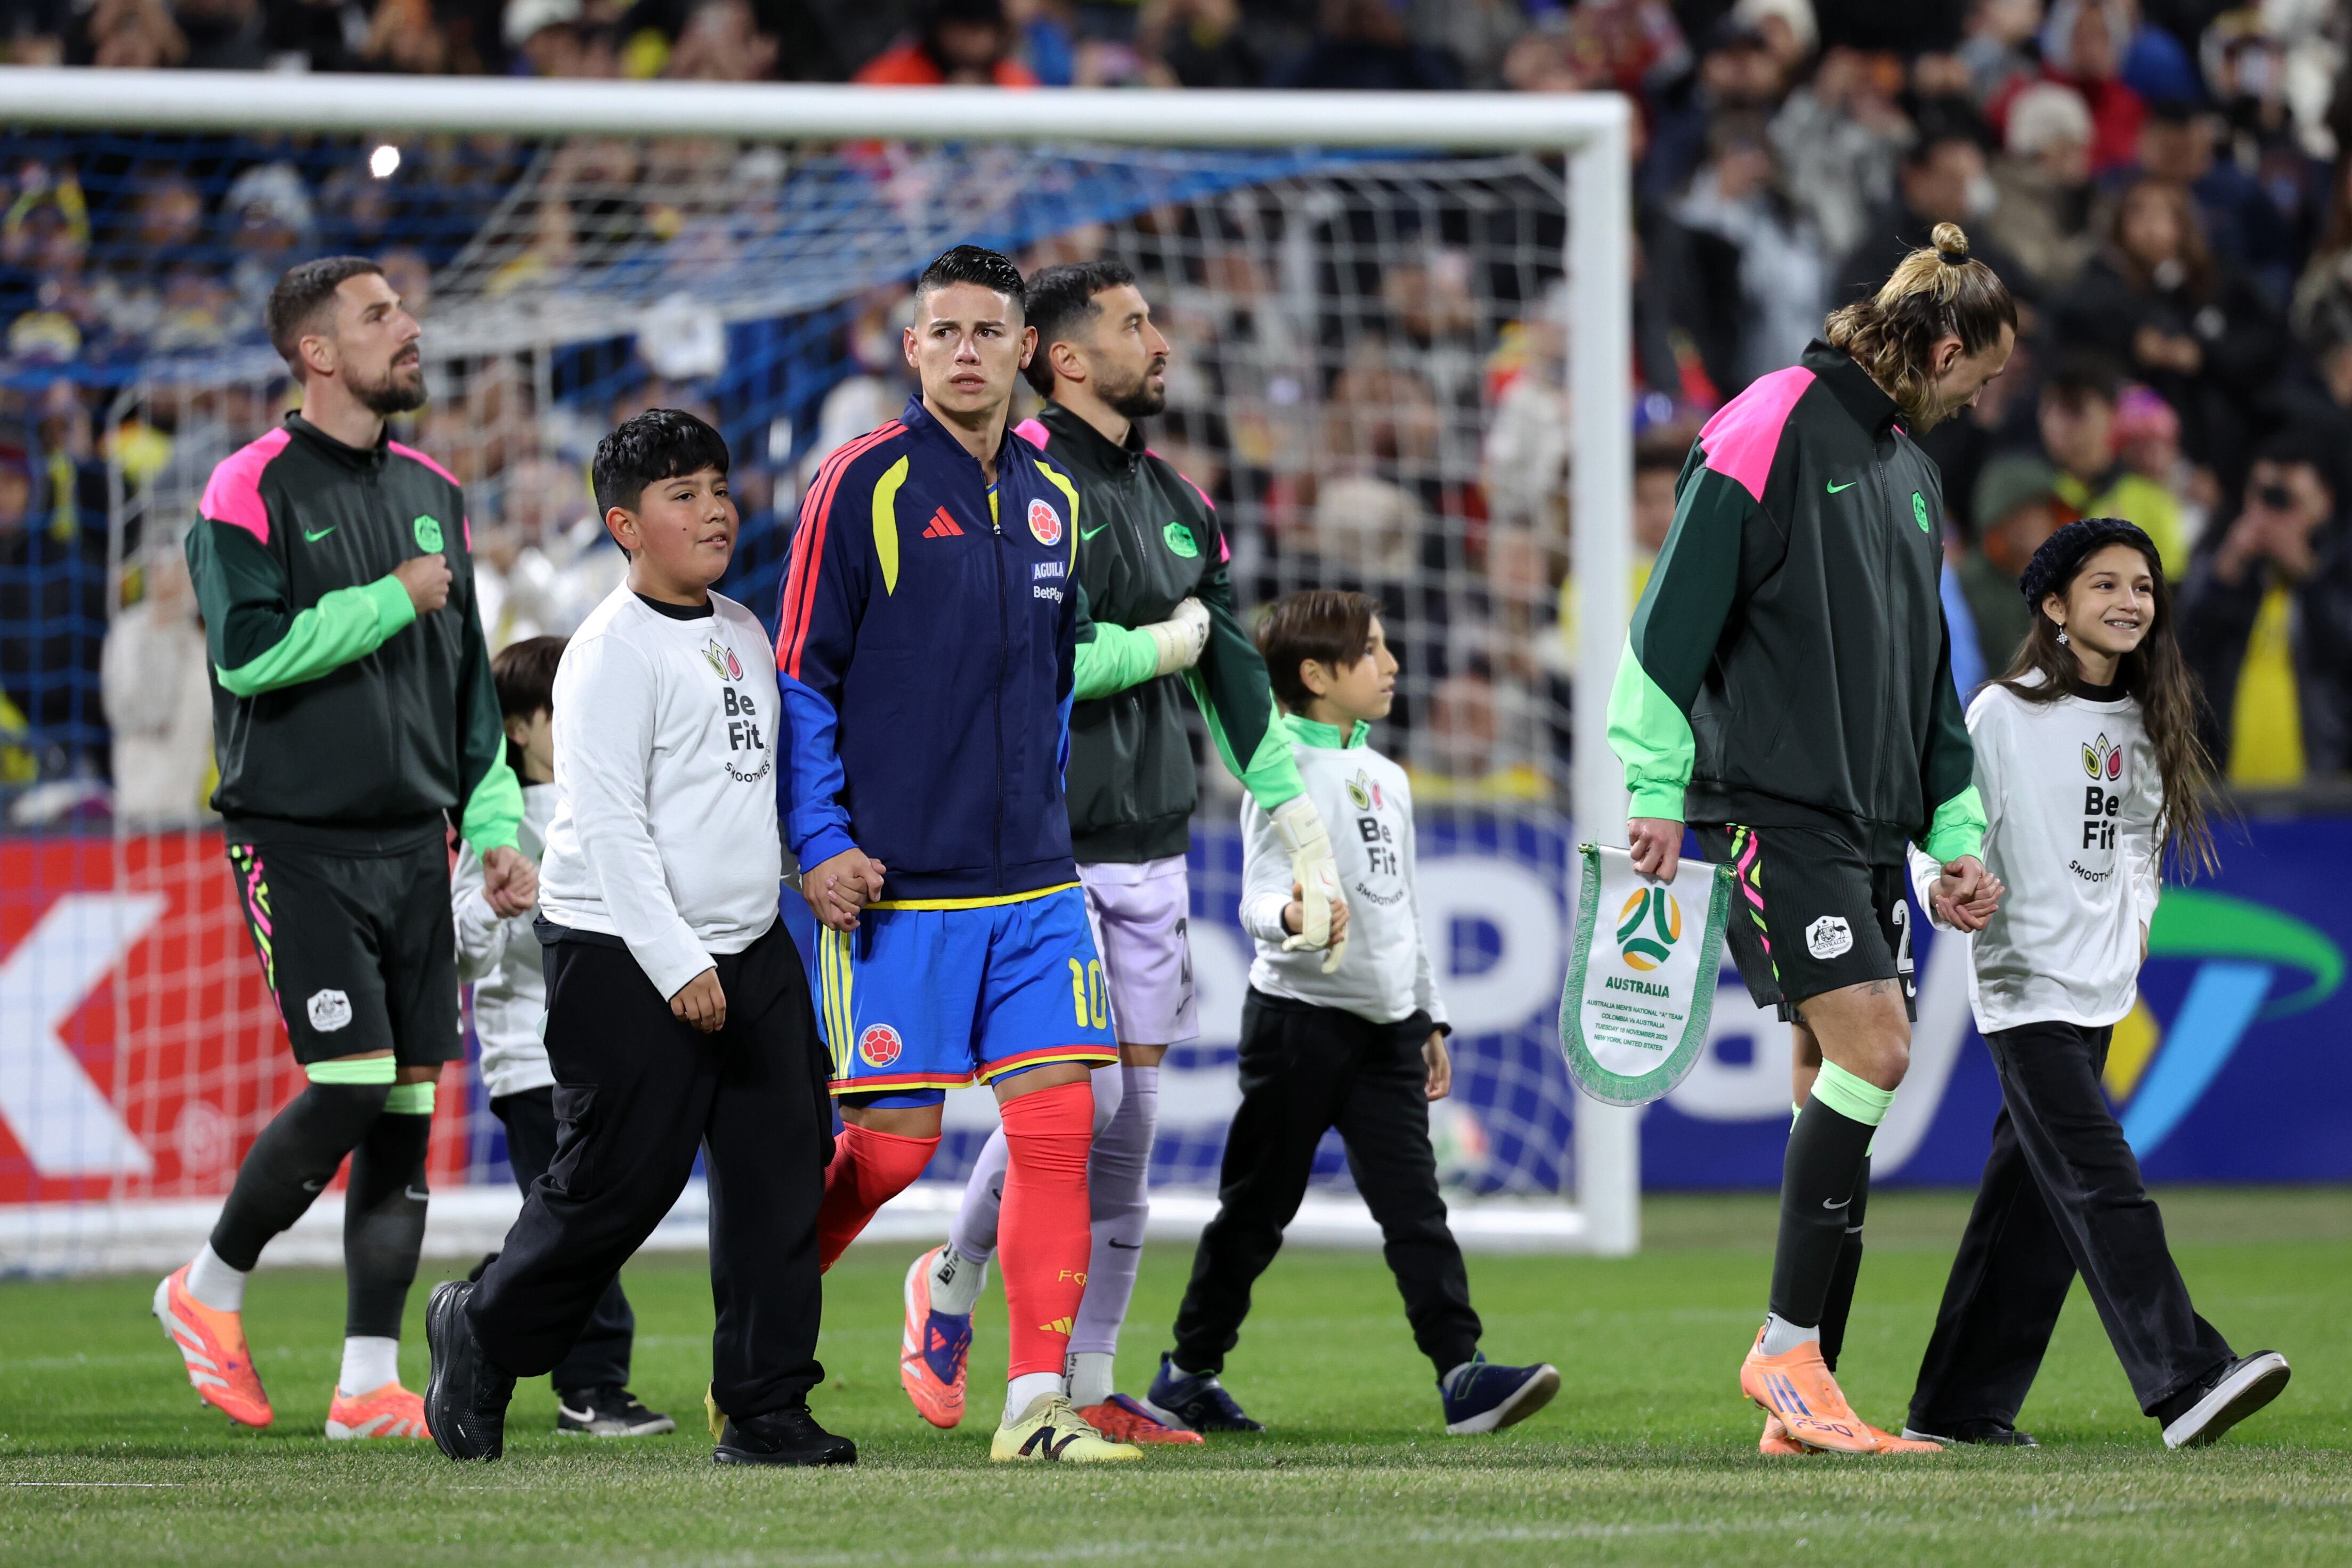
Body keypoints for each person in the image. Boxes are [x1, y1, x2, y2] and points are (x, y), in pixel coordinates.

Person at [898, 259, 1340, 1445]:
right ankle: (949, 1275)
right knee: (1077, 1107)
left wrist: (1302, 835)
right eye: (1135, 325)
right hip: (1040, 849)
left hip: (1152, 845)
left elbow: (1236, 673)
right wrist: (1165, 642)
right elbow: (1040, 664)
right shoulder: (1019, 491)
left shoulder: (1181, 502)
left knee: (1132, 1120)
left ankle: (1092, 1380)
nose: (1162, 340)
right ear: (1065, 356)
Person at [1608, 223, 2013, 1455]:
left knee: (1824, 1091)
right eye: (1977, 378)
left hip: (1862, 821)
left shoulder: (1905, 470)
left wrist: (1952, 828)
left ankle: (1805, 1392)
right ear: (1940, 346)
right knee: (1877, 1051)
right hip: (1770, 806)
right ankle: (1783, 1353)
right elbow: (1671, 613)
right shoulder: (1768, 418)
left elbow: (1924, 674)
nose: (1980, 402)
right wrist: (1652, 780)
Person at [152, 255, 532, 1441]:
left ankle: (368, 1382)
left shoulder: (434, 487)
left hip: (416, 841)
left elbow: (472, 690)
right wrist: (388, 595)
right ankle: (207, 1286)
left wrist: (496, 822)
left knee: (408, 1109)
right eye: (379, 317)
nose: (408, 330)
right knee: (356, 1077)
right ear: (317, 352)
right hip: (297, 836)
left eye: (402, 311)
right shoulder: (245, 484)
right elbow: (246, 655)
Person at [425, 410, 847, 1468]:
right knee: (614, 1191)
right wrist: (678, 964)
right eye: (681, 495)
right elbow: (607, 826)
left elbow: (738, 797)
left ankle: (763, 1405)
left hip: (751, 950)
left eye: (717, 486)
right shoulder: (606, 654)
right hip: (624, 953)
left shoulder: (745, 628)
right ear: (622, 523)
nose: (714, 509)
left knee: (779, 1176)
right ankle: (478, 1329)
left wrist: (805, 872)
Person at [776, 246, 1137, 1464]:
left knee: (1056, 1128)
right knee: (888, 1154)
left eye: (990, 330)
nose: (968, 349)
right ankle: (756, 1343)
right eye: (947, 332)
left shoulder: (1056, 500)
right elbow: (800, 679)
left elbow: (1048, 680)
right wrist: (819, 839)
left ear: (1023, 350)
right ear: (914, 347)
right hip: (896, 891)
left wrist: (1044, 813)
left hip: (1033, 884)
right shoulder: (860, 484)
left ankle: (1035, 1404)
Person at [1903, 516, 2291, 1449]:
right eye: (2104, 586)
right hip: (2024, 984)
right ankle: (2184, 1373)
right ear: (2052, 606)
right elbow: (1932, 826)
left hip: (2097, 989)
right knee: (2099, 1176)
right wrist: (1942, 884)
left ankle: (1953, 1409)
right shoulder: (2000, 713)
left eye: (2142, 588)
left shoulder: (2145, 719)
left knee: (2028, 1211)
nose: (2128, 602)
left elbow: (2134, 850)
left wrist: (2133, 927)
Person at [1146, 591, 1559, 1437]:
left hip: (1384, 1032)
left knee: (1416, 1207)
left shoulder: (1386, 775)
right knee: (1255, 1214)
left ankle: (1462, 1375)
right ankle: (1185, 1373)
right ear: (1315, 674)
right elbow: (1261, 894)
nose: (1392, 664)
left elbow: (1400, 905)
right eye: (1371, 650)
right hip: (1297, 1025)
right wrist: (1290, 920)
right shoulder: (1277, 770)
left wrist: (1427, 1016)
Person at [451, 633, 672, 1439]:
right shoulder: (499, 829)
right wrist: (497, 906)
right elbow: (457, 948)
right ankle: (591, 1385)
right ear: (518, 726)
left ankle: (479, 1308)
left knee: (586, 1221)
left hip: (604, 1055)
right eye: (558, 709)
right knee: (581, 1226)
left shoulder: (604, 801)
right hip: (530, 1065)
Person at [2174, 429, 2352, 785]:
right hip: (2230, 797)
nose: (2272, 512)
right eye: (2263, 496)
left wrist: (2307, 573)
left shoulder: (2340, 568)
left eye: (2287, 499)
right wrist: (2223, 576)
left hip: (2326, 800)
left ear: (2325, 502)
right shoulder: (2225, 567)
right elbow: (2181, 653)